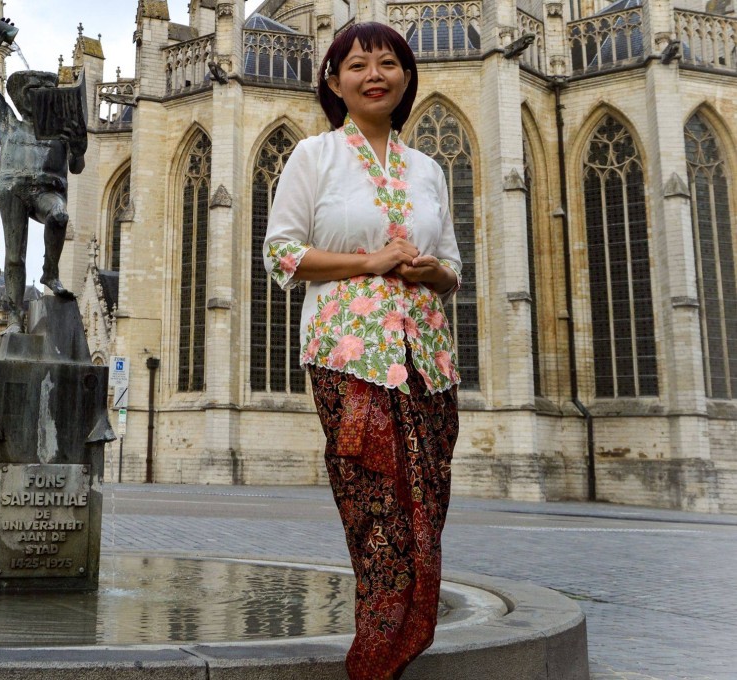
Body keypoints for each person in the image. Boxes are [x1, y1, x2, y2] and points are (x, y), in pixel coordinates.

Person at [263, 22, 461, 680]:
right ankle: (377, 647)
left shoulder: (429, 168)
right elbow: (281, 253)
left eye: (387, 62)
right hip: (348, 354)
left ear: (406, 77)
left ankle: (408, 631)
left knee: (426, 504)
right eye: (357, 64)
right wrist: (369, 260)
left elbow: (455, 267)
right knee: (374, 498)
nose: (373, 73)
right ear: (333, 81)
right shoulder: (315, 156)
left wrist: (431, 272)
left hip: (427, 358)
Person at [0, 18, 86, 332]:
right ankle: (13, 317)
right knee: (14, 257)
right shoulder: (8, 121)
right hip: (11, 188)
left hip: (44, 190)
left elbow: (77, 167)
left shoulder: (59, 131)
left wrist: (78, 147)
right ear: (24, 97)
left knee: (59, 216)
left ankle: (50, 272)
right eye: (36, 92)